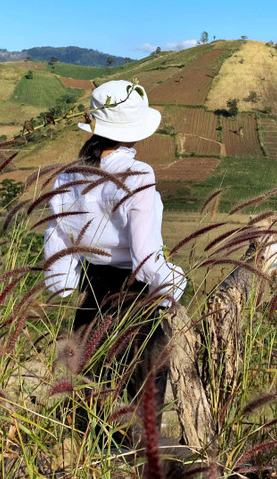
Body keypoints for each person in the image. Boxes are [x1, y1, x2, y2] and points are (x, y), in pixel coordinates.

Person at [42, 80, 186, 416]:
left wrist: (61, 282)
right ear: (133, 129)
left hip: (91, 292)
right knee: (145, 387)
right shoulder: (138, 174)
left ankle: (85, 457)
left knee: (88, 383)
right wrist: (172, 287)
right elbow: (145, 255)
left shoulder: (68, 176)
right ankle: (134, 461)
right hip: (135, 294)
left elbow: (58, 234)